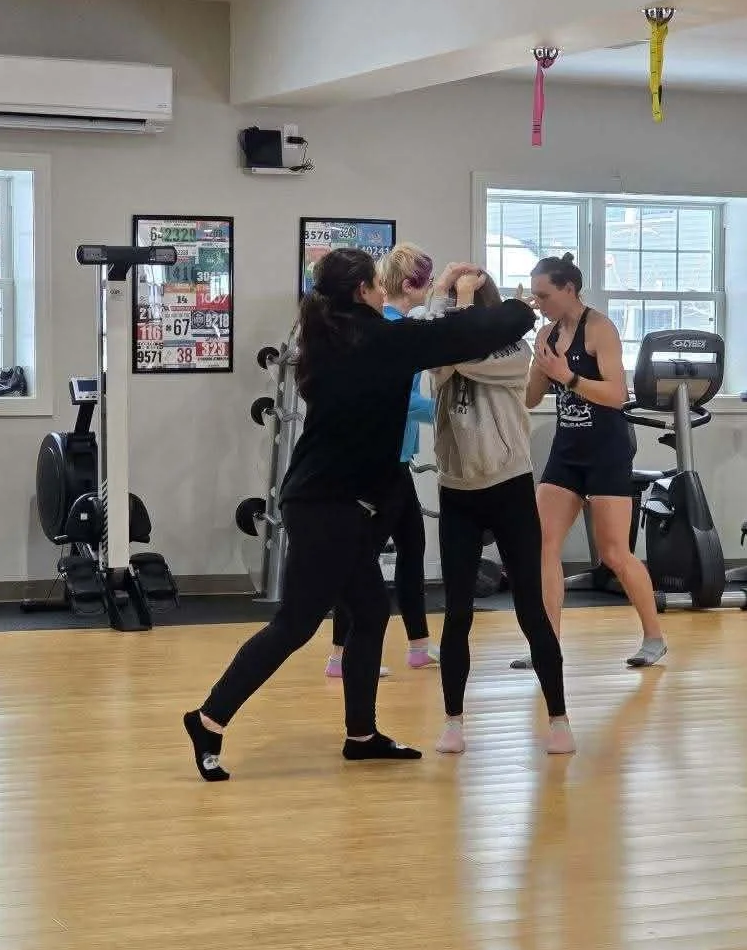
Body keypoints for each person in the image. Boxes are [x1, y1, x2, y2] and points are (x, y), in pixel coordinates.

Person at [182, 248, 537, 781]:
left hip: (327, 499)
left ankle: (362, 735)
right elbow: (465, 336)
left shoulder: (334, 338)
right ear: (362, 292)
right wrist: (521, 307)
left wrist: (445, 296)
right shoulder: (377, 341)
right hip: (328, 506)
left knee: (369, 612)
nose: (381, 291)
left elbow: (437, 336)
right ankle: (208, 718)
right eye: (376, 284)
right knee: (297, 623)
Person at [427, 273, 575, 756]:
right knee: (458, 613)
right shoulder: (447, 348)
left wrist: (465, 303)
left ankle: (559, 719)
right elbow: (438, 354)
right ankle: (453, 722)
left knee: (530, 608)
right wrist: (446, 288)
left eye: (465, 306)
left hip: (508, 485)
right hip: (458, 490)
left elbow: (455, 353)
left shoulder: (516, 353)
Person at [515, 252, 666, 670]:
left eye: (544, 294)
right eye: (535, 295)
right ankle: (548, 644)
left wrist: (568, 377)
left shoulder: (599, 329)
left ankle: (654, 636)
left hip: (606, 451)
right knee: (541, 546)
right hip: (567, 453)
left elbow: (617, 396)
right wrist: (533, 363)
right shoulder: (546, 333)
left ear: (569, 290)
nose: (538, 302)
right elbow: (528, 400)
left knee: (615, 554)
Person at [326, 243, 439, 679]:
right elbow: (400, 399)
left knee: (413, 547)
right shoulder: (390, 330)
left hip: (399, 458)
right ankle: (339, 657)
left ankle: (418, 647)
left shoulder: (398, 326)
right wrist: (444, 413)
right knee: (362, 558)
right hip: (382, 462)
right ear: (416, 284)